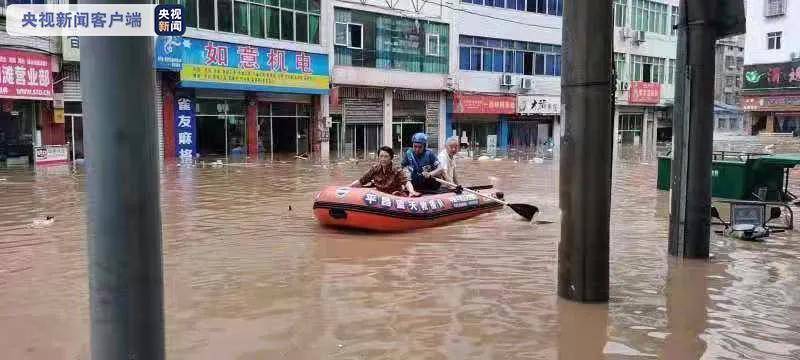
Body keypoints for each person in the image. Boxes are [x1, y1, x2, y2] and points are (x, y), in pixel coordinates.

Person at [351, 146, 420, 197]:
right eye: (381, 156)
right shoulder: (375, 169)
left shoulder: (396, 169)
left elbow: (406, 182)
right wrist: (348, 188)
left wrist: (412, 191)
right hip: (380, 198)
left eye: (386, 156)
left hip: (394, 197)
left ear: (391, 158)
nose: (383, 159)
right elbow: (361, 181)